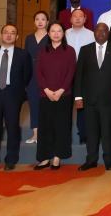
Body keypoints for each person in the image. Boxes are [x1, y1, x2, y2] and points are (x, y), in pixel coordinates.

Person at [74, 23, 111, 171]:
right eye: (98, 30)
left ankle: (108, 160)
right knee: (91, 132)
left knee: (107, 131)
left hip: (110, 99)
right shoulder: (85, 50)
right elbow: (79, 75)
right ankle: (91, 160)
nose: (101, 33)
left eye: (104, 31)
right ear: (94, 33)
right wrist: (78, 97)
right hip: (89, 99)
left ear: (108, 33)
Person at [0, 24, 32, 172]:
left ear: (17, 37)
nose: (9, 35)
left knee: (12, 128)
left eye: (12, 33)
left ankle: (10, 160)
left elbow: (26, 75)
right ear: (0, 35)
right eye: (6, 32)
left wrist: (17, 90)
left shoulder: (23, 54)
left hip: (13, 95)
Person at [34, 22, 76, 170]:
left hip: (64, 95)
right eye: (53, 31)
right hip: (45, 94)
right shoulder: (42, 51)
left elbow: (71, 72)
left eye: (59, 31)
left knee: (61, 126)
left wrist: (60, 91)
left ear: (63, 34)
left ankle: (58, 157)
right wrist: (46, 90)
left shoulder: (70, 51)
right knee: (45, 126)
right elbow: (38, 72)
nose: (56, 34)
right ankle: (45, 158)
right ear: (48, 33)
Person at [66, 8, 96, 145]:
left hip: (85, 74)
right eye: (75, 16)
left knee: (82, 104)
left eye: (80, 16)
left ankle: (83, 133)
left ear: (85, 19)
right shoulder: (64, 34)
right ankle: (65, 134)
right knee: (66, 104)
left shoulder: (92, 35)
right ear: (70, 19)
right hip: (66, 73)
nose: (77, 18)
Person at [24, 11, 49, 144]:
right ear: (34, 22)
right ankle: (35, 134)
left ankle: (45, 134)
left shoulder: (51, 37)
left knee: (46, 105)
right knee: (33, 105)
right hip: (31, 75)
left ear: (47, 22)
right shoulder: (29, 38)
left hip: (47, 75)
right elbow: (25, 58)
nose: (40, 21)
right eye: (37, 19)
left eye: (43, 19)